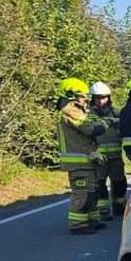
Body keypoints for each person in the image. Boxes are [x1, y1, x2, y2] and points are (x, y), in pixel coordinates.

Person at [55, 78, 106, 235]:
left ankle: (91, 219)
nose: (87, 99)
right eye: (83, 96)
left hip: (86, 160)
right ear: (71, 95)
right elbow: (90, 129)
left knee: (92, 191)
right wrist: (104, 124)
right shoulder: (70, 111)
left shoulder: (79, 110)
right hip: (79, 162)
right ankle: (78, 223)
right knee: (83, 193)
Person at [87, 81, 125, 219]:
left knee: (119, 182)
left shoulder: (118, 113)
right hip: (99, 157)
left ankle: (119, 206)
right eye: (97, 97)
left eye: (103, 97)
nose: (101, 100)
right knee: (100, 183)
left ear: (109, 97)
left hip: (116, 155)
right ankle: (103, 210)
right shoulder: (88, 115)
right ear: (93, 99)